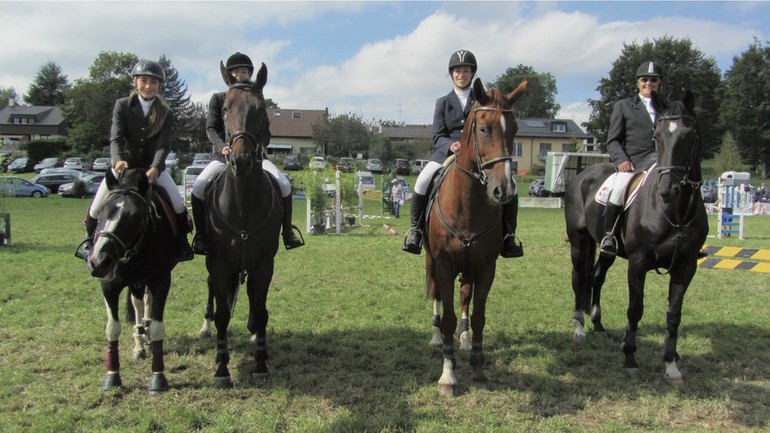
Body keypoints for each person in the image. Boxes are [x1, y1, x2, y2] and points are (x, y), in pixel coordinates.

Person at [402, 49, 523, 258]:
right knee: (422, 181)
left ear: (472, 73)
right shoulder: (443, 102)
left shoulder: (482, 101)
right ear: (452, 74)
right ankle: (416, 231)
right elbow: (437, 135)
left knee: (511, 186)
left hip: (479, 156)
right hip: (447, 154)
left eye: (466, 70)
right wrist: (451, 145)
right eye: (457, 71)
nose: (461, 74)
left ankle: (508, 237)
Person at [75, 59, 193, 262]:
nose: (148, 86)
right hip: (125, 168)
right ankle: (88, 241)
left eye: (153, 82)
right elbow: (116, 137)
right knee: (96, 205)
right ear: (135, 82)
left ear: (159, 85)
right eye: (144, 81)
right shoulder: (122, 105)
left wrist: (156, 167)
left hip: (152, 168)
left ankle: (181, 243)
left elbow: (163, 144)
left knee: (177, 204)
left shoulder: (166, 112)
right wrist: (118, 160)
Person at [190, 52, 303, 255]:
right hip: (223, 157)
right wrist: (222, 147)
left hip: (255, 157)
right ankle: (201, 236)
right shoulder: (218, 99)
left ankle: (287, 233)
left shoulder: (255, 97)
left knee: (284, 184)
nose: (240, 75)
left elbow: (265, 131)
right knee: (198, 187)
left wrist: (261, 145)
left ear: (250, 74)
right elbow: (211, 128)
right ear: (229, 75)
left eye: (244, 72)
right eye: (236, 72)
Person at [599, 61, 664, 257]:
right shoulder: (624, 106)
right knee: (618, 188)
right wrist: (621, 160)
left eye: (653, 80)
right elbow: (613, 140)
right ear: (638, 82)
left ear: (659, 83)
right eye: (644, 80)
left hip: (662, 164)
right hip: (634, 164)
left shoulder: (668, 108)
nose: (648, 84)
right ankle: (609, 235)